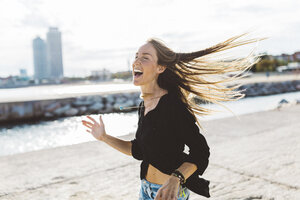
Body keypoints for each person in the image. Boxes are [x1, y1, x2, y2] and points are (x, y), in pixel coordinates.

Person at [81, 32, 265, 199]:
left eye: (145, 58)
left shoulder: (173, 106)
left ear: (160, 68)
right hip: (145, 190)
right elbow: (138, 151)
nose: (136, 61)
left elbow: (201, 152)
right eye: (136, 56)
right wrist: (104, 137)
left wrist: (176, 178)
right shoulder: (144, 105)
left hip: (170, 193)